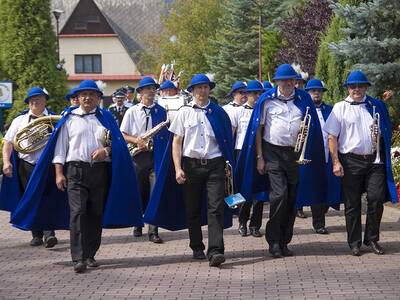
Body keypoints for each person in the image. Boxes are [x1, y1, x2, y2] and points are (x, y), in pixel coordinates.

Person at [235, 64, 326, 258]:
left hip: (295, 154)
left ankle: (284, 240)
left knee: (293, 198)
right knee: (279, 196)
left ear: (295, 82)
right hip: (272, 152)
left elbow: (313, 128)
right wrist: (260, 157)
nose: (287, 84)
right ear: (276, 82)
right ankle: (273, 240)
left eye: (291, 80)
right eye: (283, 80)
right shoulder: (266, 100)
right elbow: (257, 129)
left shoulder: (304, 99)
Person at [324, 70, 398, 256]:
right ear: (348, 88)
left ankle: (372, 238)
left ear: (366, 87)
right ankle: (354, 242)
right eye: (352, 86)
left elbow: (385, 129)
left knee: (376, 198)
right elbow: (332, 137)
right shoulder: (340, 107)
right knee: (352, 203)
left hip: (375, 160)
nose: (356, 89)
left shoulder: (375, 106)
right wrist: (335, 162)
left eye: (360, 86)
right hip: (350, 161)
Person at [165, 73, 234, 267]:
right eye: (198, 88)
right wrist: (178, 168)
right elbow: (176, 142)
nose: (202, 91)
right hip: (191, 166)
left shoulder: (219, 113)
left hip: (215, 165)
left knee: (215, 208)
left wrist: (228, 166)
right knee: (193, 209)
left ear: (209, 90)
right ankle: (196, 246)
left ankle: (216, 251)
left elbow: (228, 140)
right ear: (192, 92)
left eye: (205, 87)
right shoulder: (184, 112)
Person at [1, 87, 58, 248]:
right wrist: (6, 162)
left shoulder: (54, 119)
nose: (35, 101)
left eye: (39, 98)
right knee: (31, 198)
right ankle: (36, 234)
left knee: (47, 198)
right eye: (32, 99)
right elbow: (8, 142)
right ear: (28, 102)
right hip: (26, 165)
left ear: (45, 100)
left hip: (47, 164)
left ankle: (49, 233)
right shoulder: (19, 121)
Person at [120, 77, 168, 244]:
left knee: (155, 192)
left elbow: (166, 134)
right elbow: (123, 134)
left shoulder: (161, 111)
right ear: (140, 92)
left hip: (155, 156)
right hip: (137, 156)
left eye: (153, 88)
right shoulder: (131, 111)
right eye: (147, 89)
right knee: (140, 192)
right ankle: (137, 222)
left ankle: (153, 230)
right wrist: (137, 141)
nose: (150, 91)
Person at [305, 79, 341, 234]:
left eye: (319, 90)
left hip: (330, 153)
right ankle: (319, 223)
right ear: (308, 93)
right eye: (313, 91)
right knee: (317, 188)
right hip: (313, 156)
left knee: (329, 187)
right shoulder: (304, 111)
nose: (316, 93)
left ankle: (323, 210)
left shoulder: (330, 110)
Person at [235, 80, 265, 238]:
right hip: (242, 153)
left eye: (260, 93)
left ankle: (255, 225)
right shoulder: (238, 111)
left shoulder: (263, 112)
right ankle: (241, 222)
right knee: (242, 190)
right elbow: (232, 134)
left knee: (259, 192)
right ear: (247, 95)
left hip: (259, 153)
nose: (257, 96)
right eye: (254, 93)